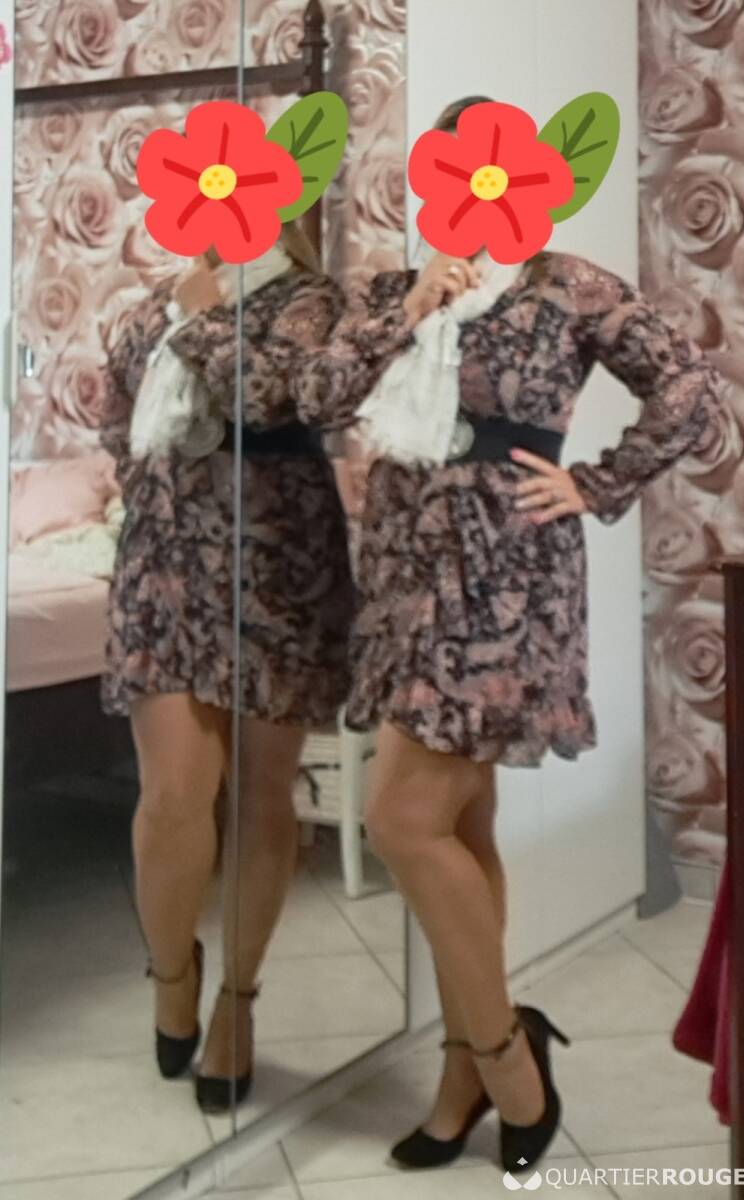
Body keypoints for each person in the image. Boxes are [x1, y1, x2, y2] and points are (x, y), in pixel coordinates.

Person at [293, 97, 725, 1174]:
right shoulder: (399, 290)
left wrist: (595, 482)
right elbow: (316, 394)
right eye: (449, 168)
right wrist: (408, 310)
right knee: (461, 826)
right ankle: (465, 1075)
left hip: (505, 585)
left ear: (526, 176)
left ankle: (506, 1058)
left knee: (401, 820)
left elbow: (688, 387)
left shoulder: (565, 285)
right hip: (402, 580)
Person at [101, 222, 353, 1113]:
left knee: (259, 793)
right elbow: (117, 427)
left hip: (279, 564)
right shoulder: (151, 306)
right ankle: (173, 970)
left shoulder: (314, 302)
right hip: (167, 563)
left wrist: (208, 321)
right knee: (173, 795)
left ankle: (237, 1001)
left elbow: (279, 398)